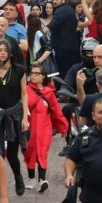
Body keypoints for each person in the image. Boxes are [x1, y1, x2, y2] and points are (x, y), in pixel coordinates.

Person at [0, 38, 29, 196]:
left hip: (14, 115)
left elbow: (24, 95)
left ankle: (18, 177)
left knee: (11, 153)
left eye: (5, 50)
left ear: (10, 53)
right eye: (0, 50)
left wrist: (25, 117)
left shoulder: (19, 70)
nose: (2, 53)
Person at [23, 64, 67, 193]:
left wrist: (63, 127)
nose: (34, 76)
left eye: (37, 73)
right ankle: (31, 177)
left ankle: (42, 180)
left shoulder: (49, 93)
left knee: (42, 152)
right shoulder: (25, 90)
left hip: (44, 129)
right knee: (29, 152)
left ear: (43, 77)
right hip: (29, 128)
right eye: (32, 73)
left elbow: (56, 111)